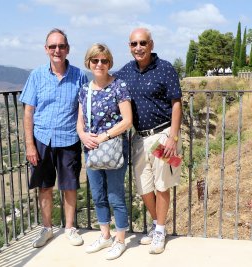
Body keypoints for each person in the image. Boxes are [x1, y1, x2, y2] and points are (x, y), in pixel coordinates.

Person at [114, 27, 182, 254]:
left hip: (162, 136)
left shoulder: (165, 69)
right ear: (129, 47)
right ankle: (156, 224)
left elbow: (176, 103)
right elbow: (109, 84)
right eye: (134, 44)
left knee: (162, 184)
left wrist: (173, 136)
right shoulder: (126, 72)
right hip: (139, 138)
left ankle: (160, 230)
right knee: (144, 186)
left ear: (151, 44)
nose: (138, 48)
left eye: (142, 43)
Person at [19, 28, 89, 248]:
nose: (57, 50)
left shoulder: (79, 76)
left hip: (69, 139)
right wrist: (30, 145)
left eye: (61, 46)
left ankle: (69, 227)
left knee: (69, 186)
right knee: (45, 186)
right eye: (52, 46)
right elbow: (28, 111)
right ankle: (47, 228)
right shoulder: (36, 75)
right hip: (42, 140)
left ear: (67, 49)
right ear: (46, 49)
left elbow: (83, 110)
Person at [77, 43, 132, 260]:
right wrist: (83, 135)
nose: (99, 64)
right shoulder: (85, 89)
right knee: (98, 195)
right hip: (91, 149)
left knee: (115, 195)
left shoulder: (119, 86)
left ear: (110, 63)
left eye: (104, 60)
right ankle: (105, 235)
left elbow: (127, 120)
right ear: (88, 62)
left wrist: (103, 136)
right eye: (95, 60)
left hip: (113, 148)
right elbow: (79, 122)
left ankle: (120, 240)